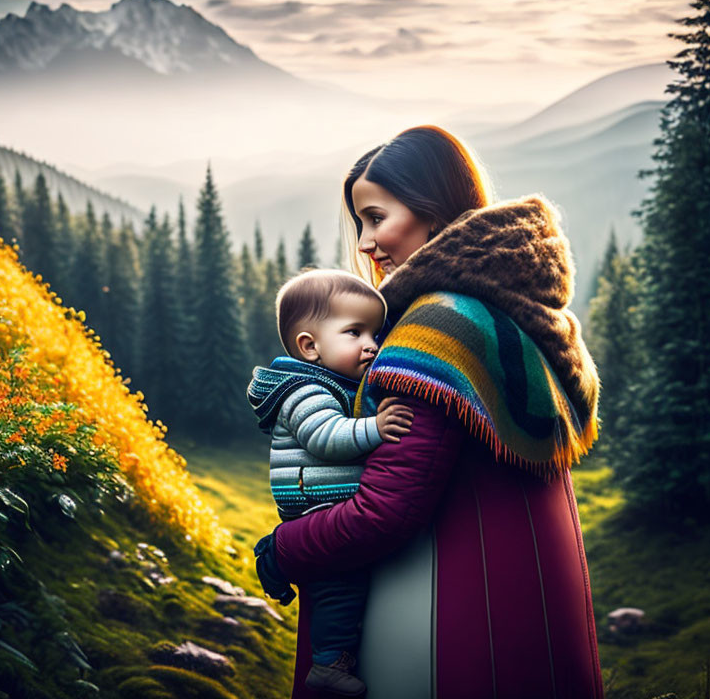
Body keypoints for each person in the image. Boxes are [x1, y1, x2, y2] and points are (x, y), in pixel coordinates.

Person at [253, 125, 604, 699]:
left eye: (375, 217)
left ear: (433, 211)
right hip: (528, 608)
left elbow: (386, 509)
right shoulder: (523, 315)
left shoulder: (434, 332)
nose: (365, 244)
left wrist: (283, 550)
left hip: (442, 621)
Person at [247, 269, 414, 697]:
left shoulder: (329, 383)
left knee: (341, 582)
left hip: (326, 500)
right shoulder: (305, 392)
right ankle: (328, 664)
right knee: (340, 585)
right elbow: (327, 437)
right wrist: (376, 428)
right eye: (354, 332)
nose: (371, 345)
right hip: (314, 505)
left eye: (375, 333)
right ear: (310, 346)